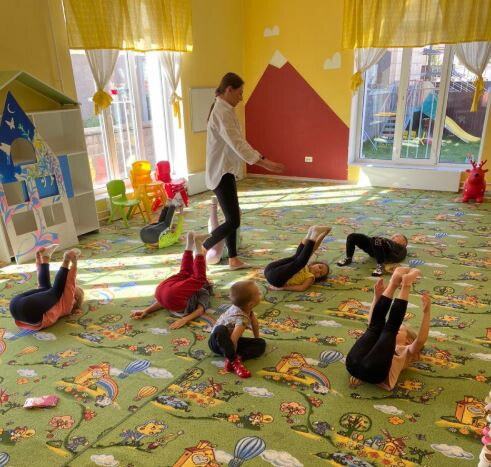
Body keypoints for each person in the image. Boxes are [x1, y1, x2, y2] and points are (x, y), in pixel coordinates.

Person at [203, 72, 285, 270]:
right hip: (221, 172)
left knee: (232, 218)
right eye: (239, 93)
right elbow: (238, 144)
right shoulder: (221, 112)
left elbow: (238, 142)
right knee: (233, 220)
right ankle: (203, 246)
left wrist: (262, 160)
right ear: (229, 90)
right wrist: (265, 163)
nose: (241, 97)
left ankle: (233, 259)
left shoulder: (226, 109)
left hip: (226, 170)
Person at [345, 267, 431, 391]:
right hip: (353, 363)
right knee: (376, 327)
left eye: (401, 330)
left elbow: (420, 341)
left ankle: (406, 285)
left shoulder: (405, 351)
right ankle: (394, 282)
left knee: (389, 329)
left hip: (373, 372)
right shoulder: (381, 338)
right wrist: (377, 297)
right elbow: (372, 323)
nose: (399, 330)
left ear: (407, 340)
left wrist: (427, 312)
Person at [131, 232, 213, 330]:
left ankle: (190, 244)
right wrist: (185, 319)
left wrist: (146, 310)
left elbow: (163, 302)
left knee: (185, 272)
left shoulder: (199, 290)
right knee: (198, 278)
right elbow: (200, 310)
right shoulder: (199, 290)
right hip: (165, 294)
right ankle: (197, 244)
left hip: (161, 290)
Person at [10, 245, 84, 330]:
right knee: (44, 287)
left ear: (75, 299)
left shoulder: (68, 306)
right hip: (16, 307)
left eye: (75, 288)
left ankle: (65, 260)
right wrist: (39, 258)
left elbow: (70, 284)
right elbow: (41, 280)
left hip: (23, 308)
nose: (73, 287)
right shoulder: (50, 298)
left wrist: (74, 264)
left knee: (55, 291)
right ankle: (46, 257)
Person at [208, 280, 266, 378]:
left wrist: (256, 339)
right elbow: (233, 340)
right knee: (220, 329)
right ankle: (233, 360)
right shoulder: (241, 319)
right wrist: (231, 356)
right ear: (250, 304)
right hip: (217, 343)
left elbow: (255, 324)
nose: (260, 293)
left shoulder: (246, 309)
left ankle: (239, 357)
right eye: (258, 293)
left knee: (261, 343)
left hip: (231, 342)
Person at [264, 225, 331, 292]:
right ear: (315, 264)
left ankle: (312, 233)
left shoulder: (310, 277)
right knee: (297, 257)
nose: (318, 271)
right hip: (271, 269)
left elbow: (302, 288)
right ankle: (312, 233)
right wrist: (325, 233)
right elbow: (315, 247)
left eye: (320, 274)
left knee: (299, 261)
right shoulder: (305, 264)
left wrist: (283, 288)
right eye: (320, 267)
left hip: (276, 279)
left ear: (318, 278)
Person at [337, 232, 408, 276]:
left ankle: (380, 266)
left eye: (397, 236)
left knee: (377, 240)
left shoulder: (402, 248)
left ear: (404, 243)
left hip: (387, 251)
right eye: (393, 236)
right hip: (375, 248)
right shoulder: (384, 241)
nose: (393, 237)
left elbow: (397, 257)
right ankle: (348, 258)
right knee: (352, 236)